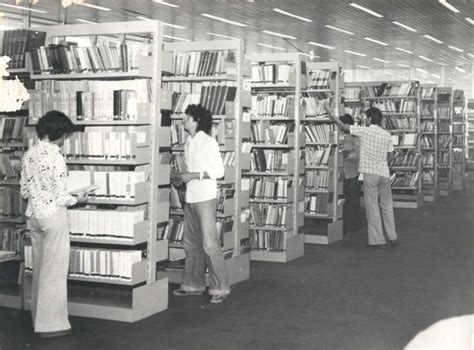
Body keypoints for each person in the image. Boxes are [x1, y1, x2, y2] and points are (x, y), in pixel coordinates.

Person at [20, 111, 88, 338]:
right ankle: (52, 325)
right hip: (53, 216)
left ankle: (37, 320)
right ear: (58, 134)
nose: (65, 141)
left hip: (35, 217)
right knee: (55, 272)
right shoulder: (56, 157)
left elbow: (24, 191)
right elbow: (61, 197)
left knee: (39, 270)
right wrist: (78, 199)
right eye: (65, 136)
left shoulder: (29, 155)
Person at [171, 104, 230, 304]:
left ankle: (220, 287)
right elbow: (189, 172)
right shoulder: (188, 142)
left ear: (196, 121)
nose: (184, 121)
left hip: (205, 197)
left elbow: (219, 171)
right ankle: (192, 284)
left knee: (209, 244)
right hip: (191, 196)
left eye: (187, 118)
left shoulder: (209, 142)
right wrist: (181, 178)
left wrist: (194, 175)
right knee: (191, 244)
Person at [324, 102, 398, 248]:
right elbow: (391, 155)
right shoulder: (387, 134)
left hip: (370, 173)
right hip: (384, 173)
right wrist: (381, 161)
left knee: (372, 206)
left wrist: (330, 114)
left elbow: (343, 126)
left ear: (370, 119)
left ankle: (377, 240)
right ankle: (392, 236)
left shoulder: (364, 131)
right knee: (387, 205)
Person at [339, 113, 361, 235]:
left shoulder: (355, 137)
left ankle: (351, 226)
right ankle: (344, 225)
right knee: (344, 200)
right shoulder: (338, 135)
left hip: (351, 172)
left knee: (351, 200)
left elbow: (358, 154)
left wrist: (347, 155)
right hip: (340, 172)